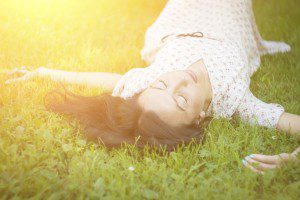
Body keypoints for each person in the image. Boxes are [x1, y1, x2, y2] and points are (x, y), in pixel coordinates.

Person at [5, 0, 299, 173]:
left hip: (181, 16)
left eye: (163, 84)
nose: (179, 80)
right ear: (198, 117)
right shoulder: (237, 103)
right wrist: (290, 158)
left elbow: (101, 80)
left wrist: (44, 71)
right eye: (181, 100)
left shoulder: (147, 86)